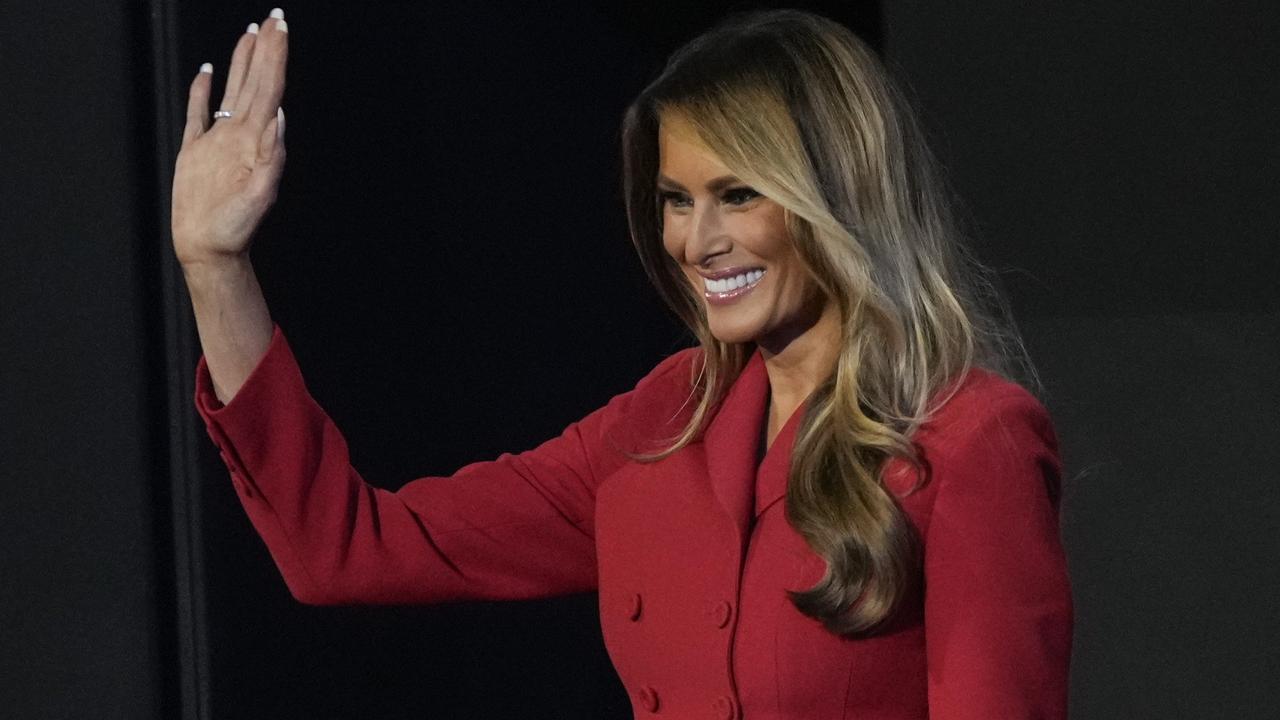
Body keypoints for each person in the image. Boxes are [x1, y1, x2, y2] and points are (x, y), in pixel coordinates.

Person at [173, 7, 1072, 719]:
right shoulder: (660, 427)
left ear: (837, 195)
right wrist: (216, 270)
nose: (696, 241)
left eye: (738, 196)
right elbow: (351, 550)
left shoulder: (968, 442)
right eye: (676, 200)